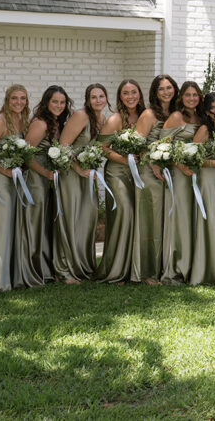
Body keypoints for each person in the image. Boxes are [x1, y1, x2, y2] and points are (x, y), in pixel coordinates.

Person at [18, 85, 70, 287]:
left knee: (45, 223)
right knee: (34, 223)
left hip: (47, 179)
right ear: (47, 102)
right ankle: (30, 270)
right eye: (54, 101)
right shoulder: (40, 123)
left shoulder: (57, 123)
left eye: (62, 102)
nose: (58, 105)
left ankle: (45, 269)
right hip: (35, 180)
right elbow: (26, 156)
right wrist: (45, 173)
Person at [0, 83, 30, 295]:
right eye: (14, 98)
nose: (18, 102)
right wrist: (3, 169)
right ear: (7, 100)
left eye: (22, 99)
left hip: (13, 181)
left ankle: (7, 277)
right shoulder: (0, 121)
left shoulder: (22, 121)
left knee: (9, 227)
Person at [57, 83, 108, 284]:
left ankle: (83, 266)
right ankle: (64, 269)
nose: (98, 100)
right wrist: (79, 169)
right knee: (71, 217)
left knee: (87, 219)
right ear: (87, 100)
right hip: (71, 172)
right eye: (93, 97)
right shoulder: (81, 116)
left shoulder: (103, 119)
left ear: (106, 98)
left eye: (101, 96)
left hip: (89, 174)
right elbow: (63, 144)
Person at [95, 79, 143, 284]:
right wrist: (125, 160)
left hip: (138, 173)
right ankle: (115, 269)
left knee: (138, 216)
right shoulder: (116, 119)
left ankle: (133, 268)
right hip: (117, 172)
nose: (130, 96)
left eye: (133, 92)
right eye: (126, 93)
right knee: (124, 213)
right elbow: (102, 148)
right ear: (120, 97)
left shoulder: (143, 116)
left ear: (139, 94)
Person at [133, 74, 178, 285]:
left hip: (169, 173)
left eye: (169, 88)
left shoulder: (177, 114)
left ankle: (164, 268)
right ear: (154, 92)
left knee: (165, 222)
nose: (166, 92)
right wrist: (152, 162)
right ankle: (146, 272)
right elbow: (136, 144)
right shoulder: (149, 114)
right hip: (149, 173)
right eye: (161, 89)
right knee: (149, 220)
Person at [161, 81, 207, 284]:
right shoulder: (176, 117)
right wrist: (180, 166)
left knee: (193, 218)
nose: (191, 98)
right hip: (180, 175)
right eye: (187, 95)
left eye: (195, 95)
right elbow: (161, 148)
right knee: (180, 218)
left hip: (198, 175)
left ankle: (192, 265)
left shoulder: (201, 117)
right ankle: (176, 267)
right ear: (181, 97)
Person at [188, 90, 215, 286]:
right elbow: (193, 158)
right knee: (208, 221)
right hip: (208, 179)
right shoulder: (204, 129)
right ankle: (205, 270)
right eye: (212, 108)